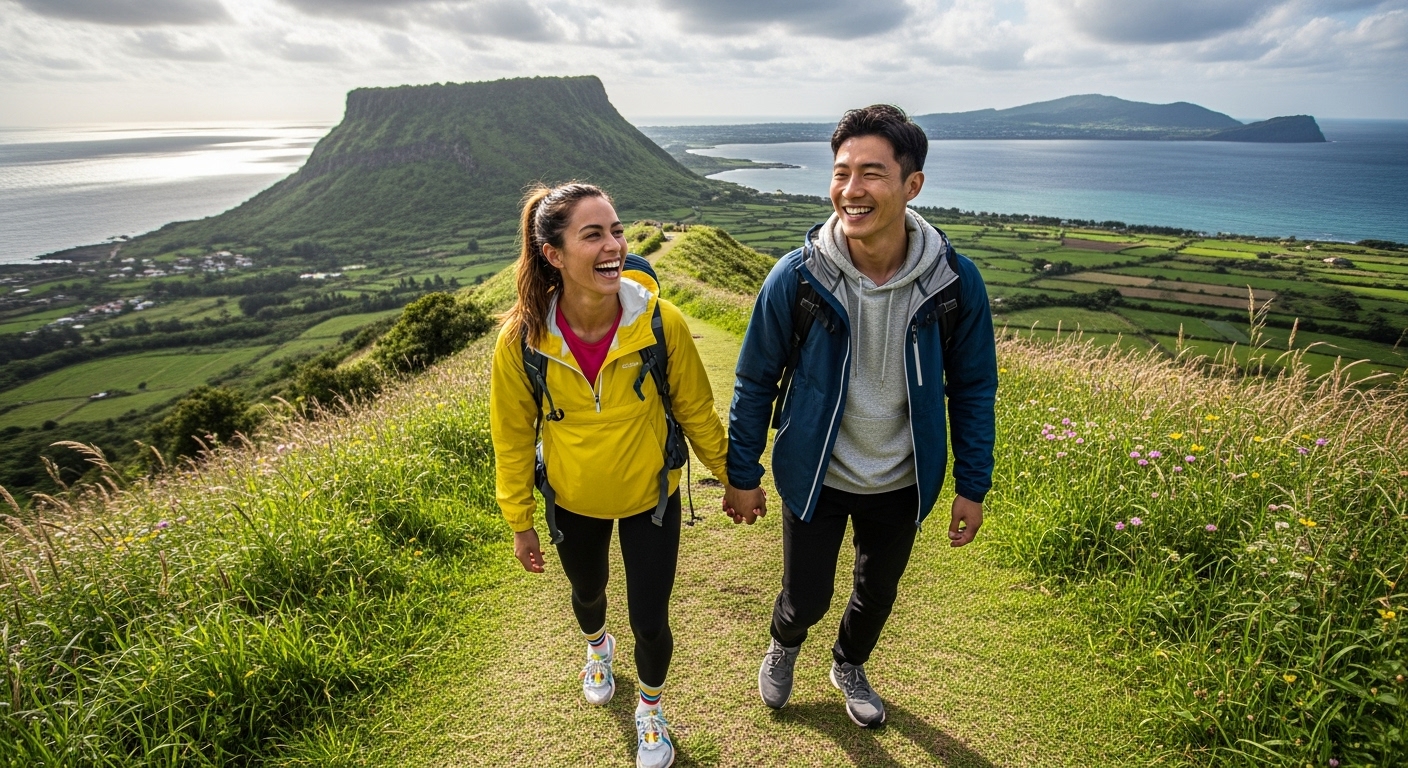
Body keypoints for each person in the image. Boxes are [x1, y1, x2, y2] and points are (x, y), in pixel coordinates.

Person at [722, 105, 997, 728]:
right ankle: (784, 643)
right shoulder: (798, 278)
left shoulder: (954, 283)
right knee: (807, 594)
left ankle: (849, 663)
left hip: (902, 478)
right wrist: (743, 473)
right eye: (841, 171)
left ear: (912, 184)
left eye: (872, 173)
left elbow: (975, 387)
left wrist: (971, 485)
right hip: (816, 472)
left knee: (877, 593)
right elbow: (755, 378)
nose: (851, 189)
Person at [491, 182, 735, 768]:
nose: (613, 246)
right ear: (553, 254)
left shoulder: (660, 322)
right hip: (572, 500)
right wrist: (519, 519)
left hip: (652, 497)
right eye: (593, 234)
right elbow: (513, 437)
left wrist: (733, 478)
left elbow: (697, 411)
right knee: (588, 593)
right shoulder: (521, 341)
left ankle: (650, 710)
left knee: (651, 620)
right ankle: (598, 648)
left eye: (617, 230)